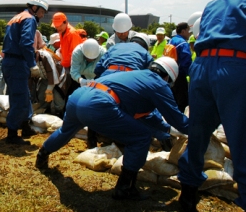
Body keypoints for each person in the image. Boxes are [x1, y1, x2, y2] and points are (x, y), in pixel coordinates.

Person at [35, 57, 189, 201]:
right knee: (141, 137)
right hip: (98, 104)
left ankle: (42, 156)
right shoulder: (159, 84)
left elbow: (145, 116)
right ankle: (125, 188)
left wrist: (167, 129)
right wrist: (196, 129)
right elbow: (176, 118)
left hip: (79, 96)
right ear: (168, 77)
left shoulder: (136, 75)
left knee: (66, 131)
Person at [177, 0, 246, 212]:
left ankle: (187, 194)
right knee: (242, 139)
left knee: (198, 134)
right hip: (237, 67)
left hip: (203, 68)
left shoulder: (217, 0)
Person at [2, 0, 48, 145]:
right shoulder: (30, 19)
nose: (42, 15)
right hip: (17, 62)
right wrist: (32, 64)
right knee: (19, 99)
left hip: (9, 61)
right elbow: (26, 43)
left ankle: (26, 126)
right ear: (35, 8)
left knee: (24, 95)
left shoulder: (16, 18)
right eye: (42, 12)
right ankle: (12, 133)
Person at [168, 22, 192, 113]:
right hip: (180, 76)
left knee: (173, 100)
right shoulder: (183, 43)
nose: (189, 33)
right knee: (182, 102)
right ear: (183, 31)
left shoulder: (171, 40)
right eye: (188, 31)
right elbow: (186, 62)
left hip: (170, 74)